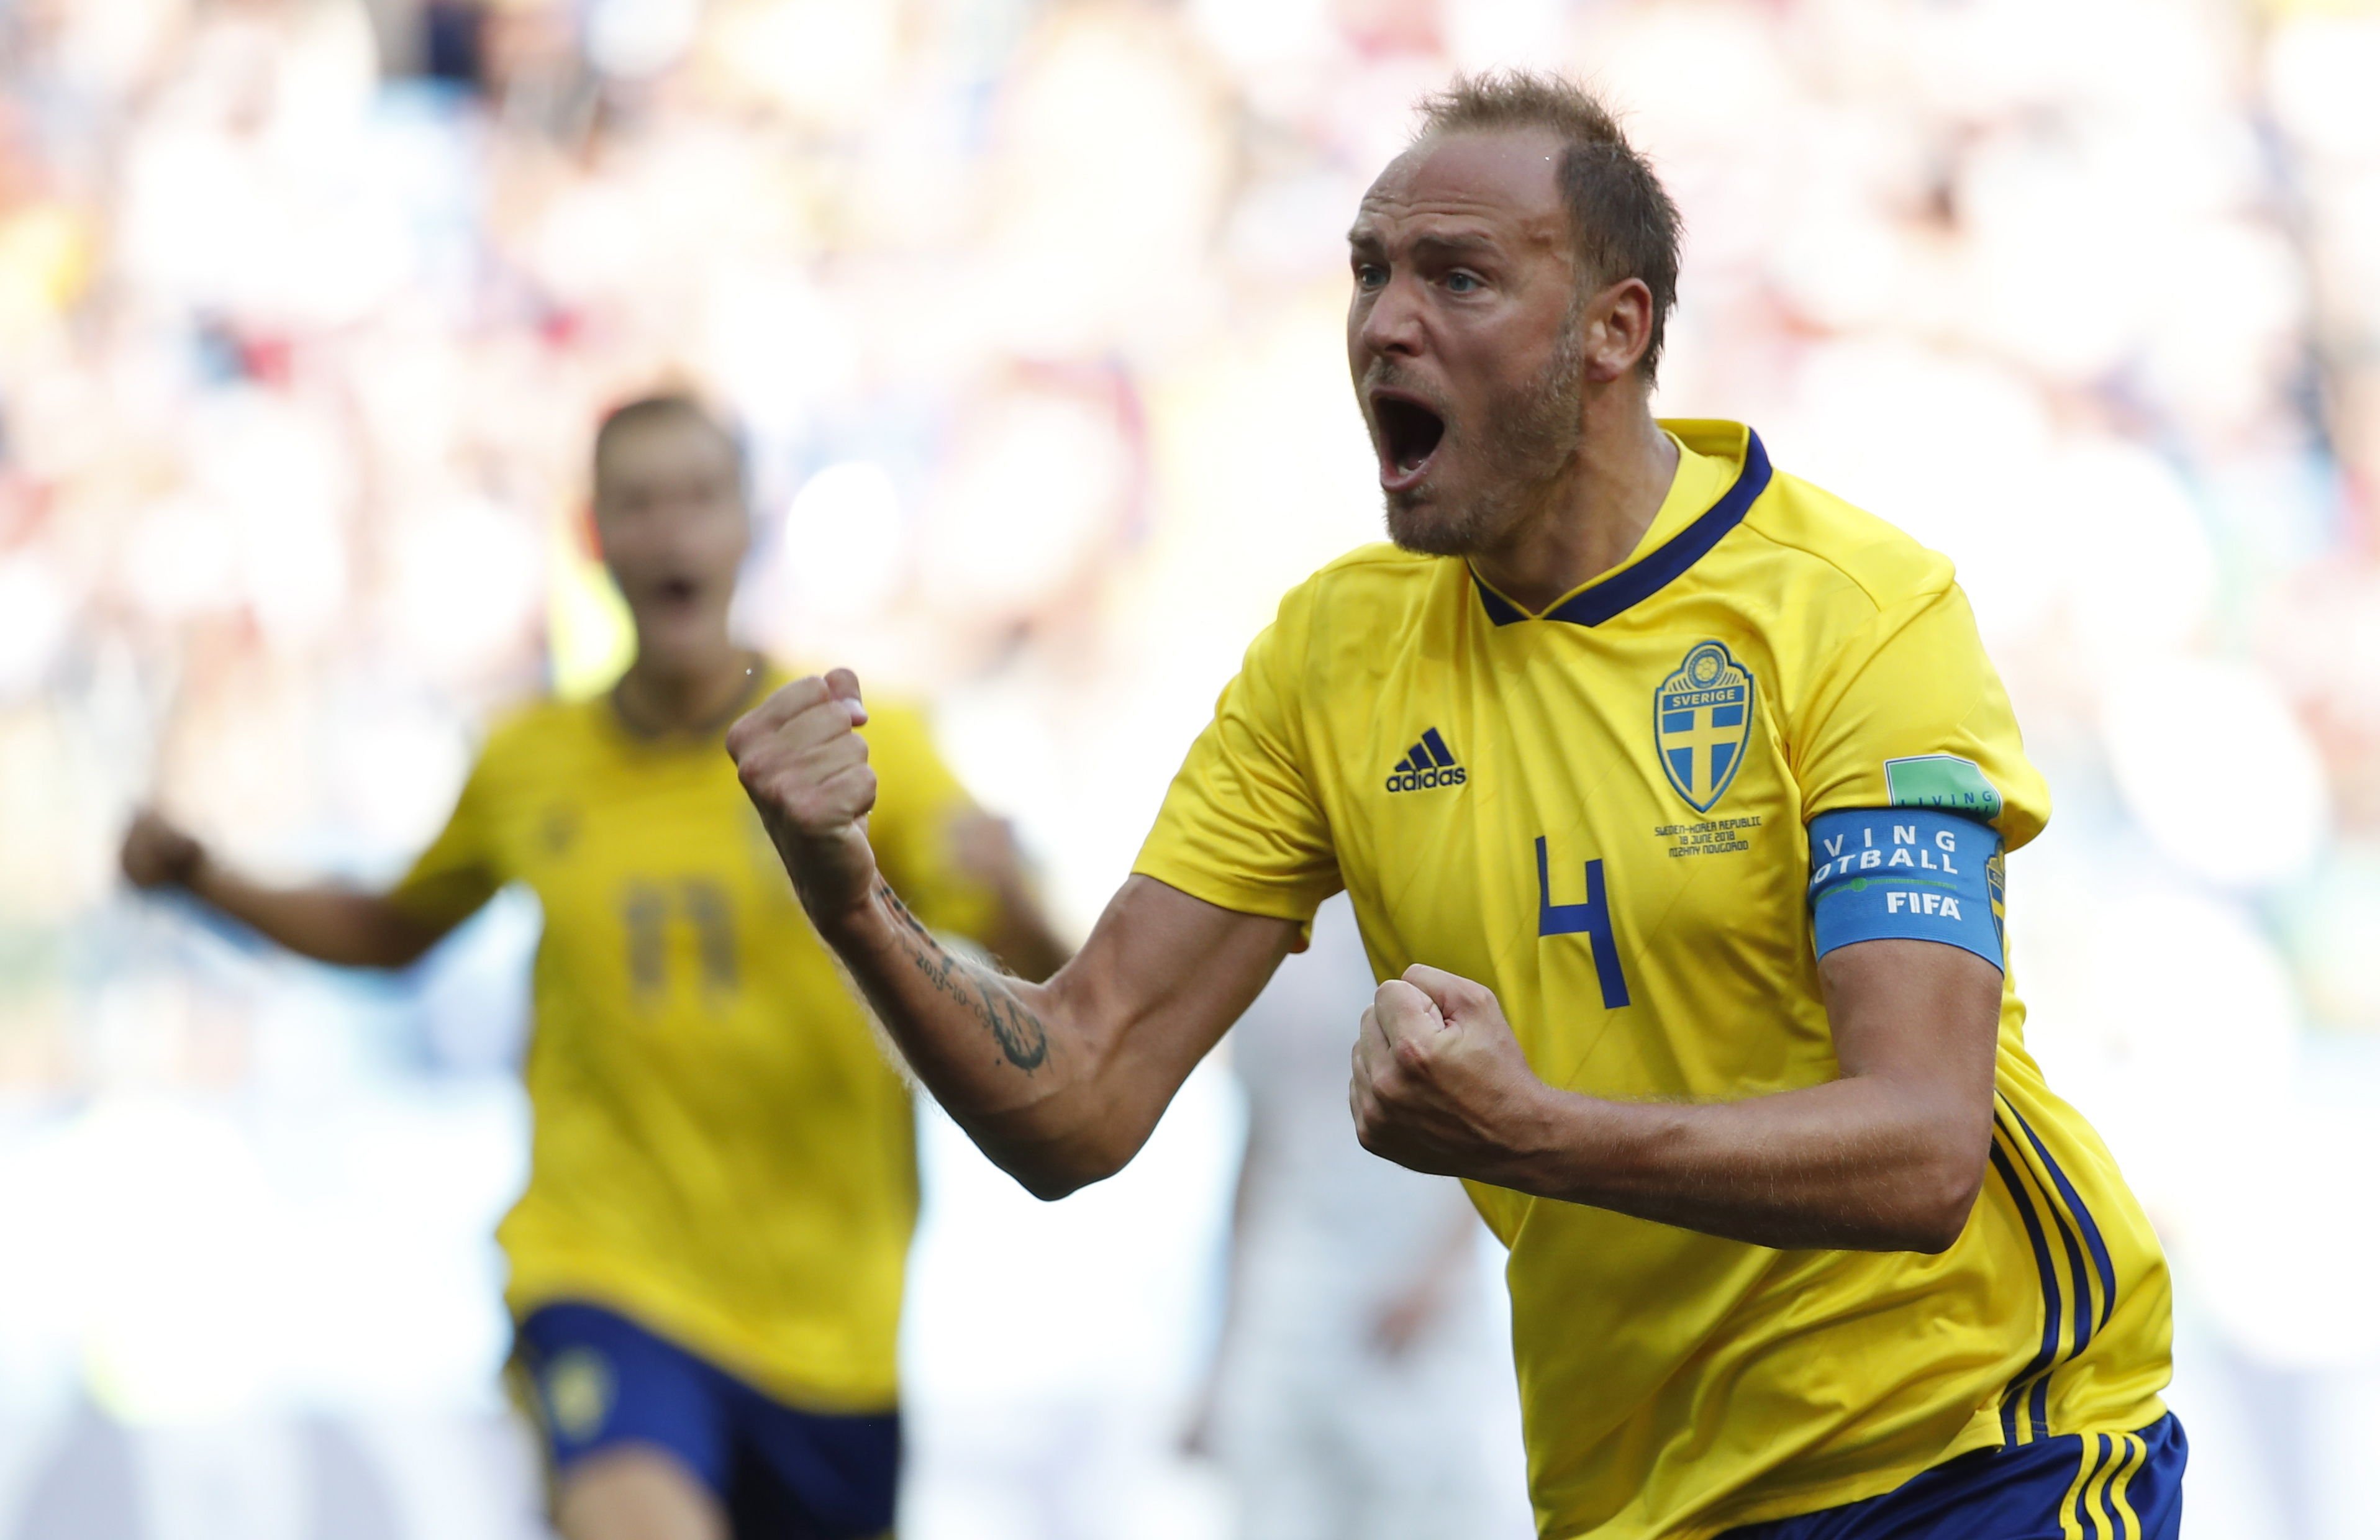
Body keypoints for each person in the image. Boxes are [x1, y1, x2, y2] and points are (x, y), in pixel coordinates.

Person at [725, 71, 2182, 1540]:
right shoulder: (1334, 659)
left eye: (1458, 276)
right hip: (1645, 1501)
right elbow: (1077, 1096)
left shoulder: (1854, 612)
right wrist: (852, 900)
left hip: (1980, 1450)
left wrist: (1533, 1130)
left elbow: (1923, 1145)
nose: (1384, 321)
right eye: (1369, 271)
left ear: (1613, 329)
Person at [121, 393, 1068, 1540]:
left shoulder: (861, 747)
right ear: (595, 536)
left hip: (830, 1328)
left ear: (746, 525)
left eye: (698, 500)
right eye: (639, 504)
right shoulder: (530, 761)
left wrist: (1013, 897)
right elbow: (394, 931)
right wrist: (207, 881)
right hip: (603, 1271)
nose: (670, 532)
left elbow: (1057, 996)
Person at [1188, 892, 1517, 1540]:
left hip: (1411, 1289)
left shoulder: (1427, 916)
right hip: (1294, 1283)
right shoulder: (1262, 952)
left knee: (1420, 1503)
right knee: (1281, 1501)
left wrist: (1438, 1274)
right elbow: (1257, 1141)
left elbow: (1490, 1112)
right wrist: (1220, 1355)